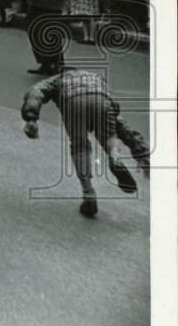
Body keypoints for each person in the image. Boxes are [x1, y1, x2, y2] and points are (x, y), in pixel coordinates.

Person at [22, 70, 149, 217]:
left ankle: (89, 193)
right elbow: (120, 122)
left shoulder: (56, 80)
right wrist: (141, 152)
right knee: (109, 134)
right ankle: (115, 156)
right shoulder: (96, 78)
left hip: (73, 101)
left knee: (79, 145)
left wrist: (31, 118)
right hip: (102, 99)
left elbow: (35, 92)